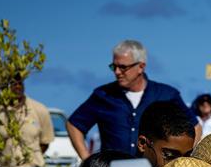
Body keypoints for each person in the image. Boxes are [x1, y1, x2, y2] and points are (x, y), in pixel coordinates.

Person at [66, 39, 200, 160]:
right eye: (114, 67)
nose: (117, 72)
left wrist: (184, 161)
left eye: (123, 67)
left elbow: (195, 127)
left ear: (141, 67)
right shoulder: (102, 95)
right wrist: (87, 161)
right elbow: (74, 125)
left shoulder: (167, 95)